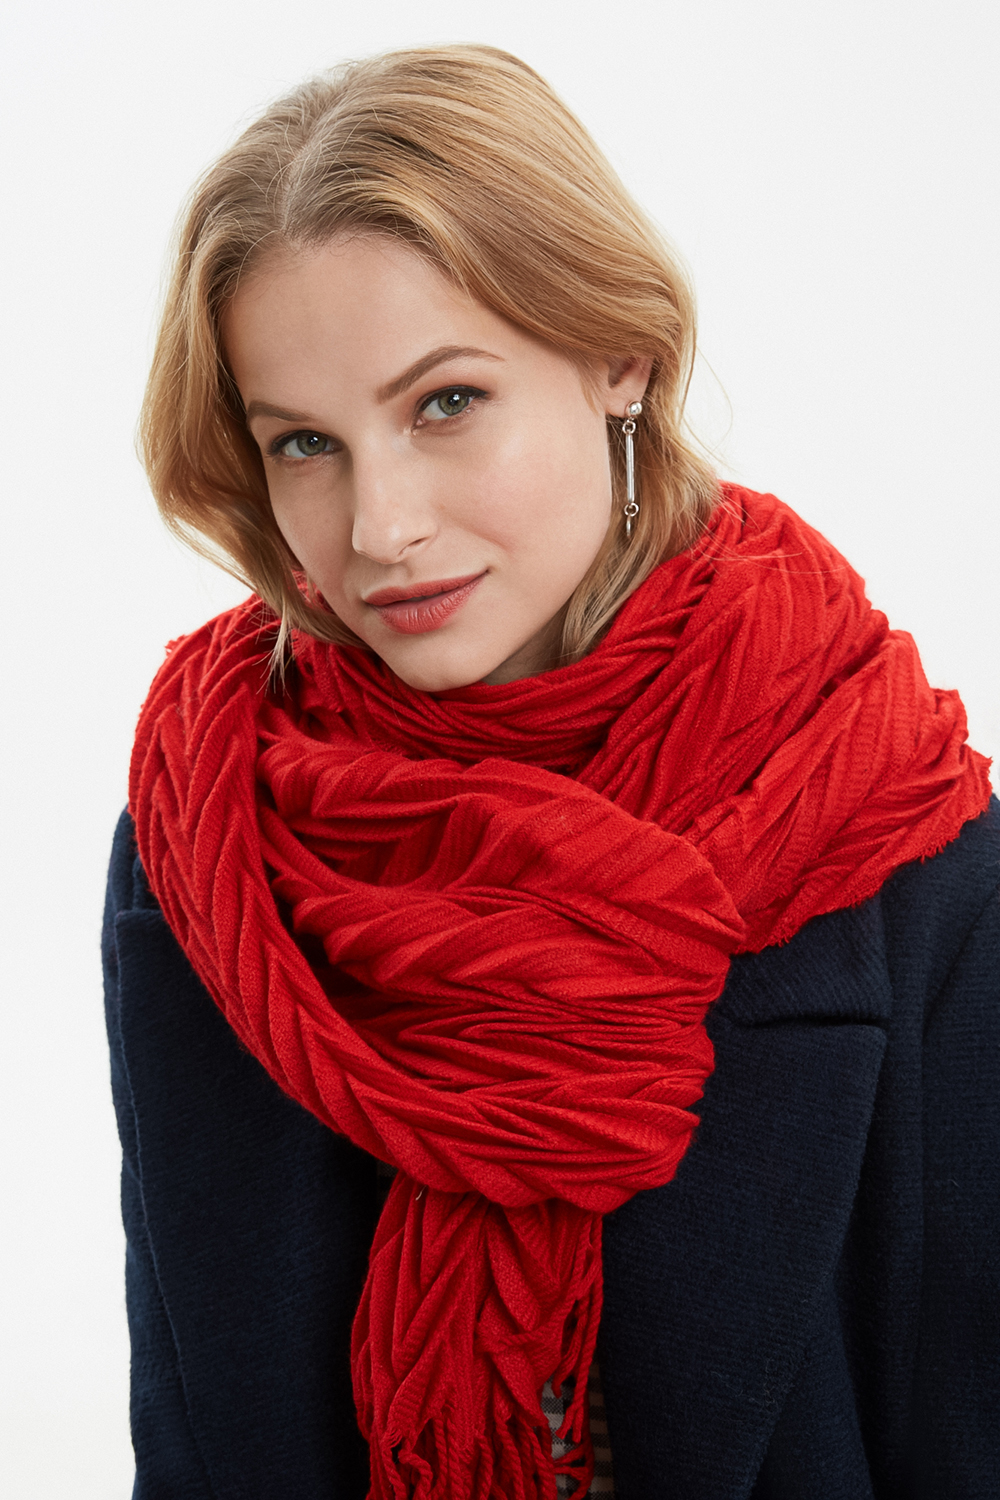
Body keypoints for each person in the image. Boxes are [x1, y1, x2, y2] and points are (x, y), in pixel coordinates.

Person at [104, 43, 999, 1500]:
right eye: (306, 442)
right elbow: (194, 1426)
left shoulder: (879, 813)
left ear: (619, 357)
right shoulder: (213, 817)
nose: (380, 525)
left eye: (446, 403)